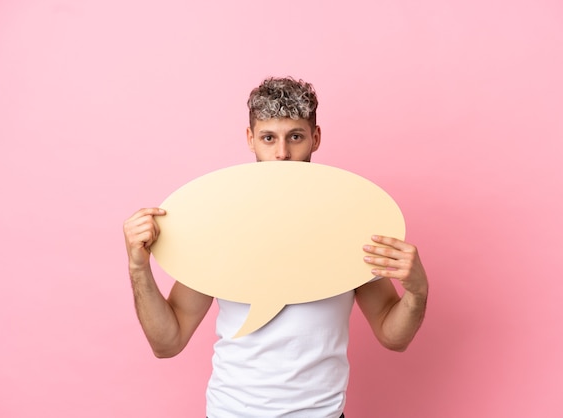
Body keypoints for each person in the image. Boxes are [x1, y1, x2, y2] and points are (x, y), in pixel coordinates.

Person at [123, 77, 429, 418]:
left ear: (315, 138)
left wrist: (417, 291)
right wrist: (139, 269)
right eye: (269, 138)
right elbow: (168, 343)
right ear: (251, 139)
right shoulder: (221, 227)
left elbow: (393, 336)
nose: (282, 154)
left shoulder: (349, 225)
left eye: (295, 137)